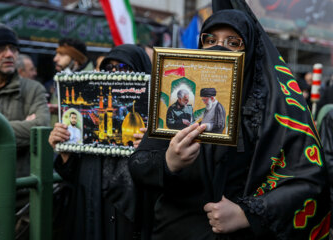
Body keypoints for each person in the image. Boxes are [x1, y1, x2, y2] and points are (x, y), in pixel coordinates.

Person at [129, 8, 330, 240]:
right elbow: (138, 165)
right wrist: (169, 162)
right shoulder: (175, 103)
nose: (218, 48)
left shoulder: (272, 114)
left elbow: (307, 180)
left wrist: (247, 214)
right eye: (210, 40)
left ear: (250, 51)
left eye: (233, 43)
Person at [48, 44, 151, 240]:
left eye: (122, 68)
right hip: (90, 205)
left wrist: (146, 149)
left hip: (131, 212)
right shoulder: (90, 119)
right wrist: (64, 149)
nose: (113, 74)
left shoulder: (156, 118)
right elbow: (71, 173)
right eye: (108, 69)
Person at [0, 23, 50, 231]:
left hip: (20, 202)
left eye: (13, 48)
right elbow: (29, 134)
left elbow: (41, 128)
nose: (9, 54)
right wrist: (16, 141)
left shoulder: (33, 89)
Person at [46, 38, 94, 127]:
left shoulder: (91, 82)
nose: (55, 59)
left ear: (76, 59)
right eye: (57, 54)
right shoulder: (62, 78)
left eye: (62, 54)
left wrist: (65, 109)